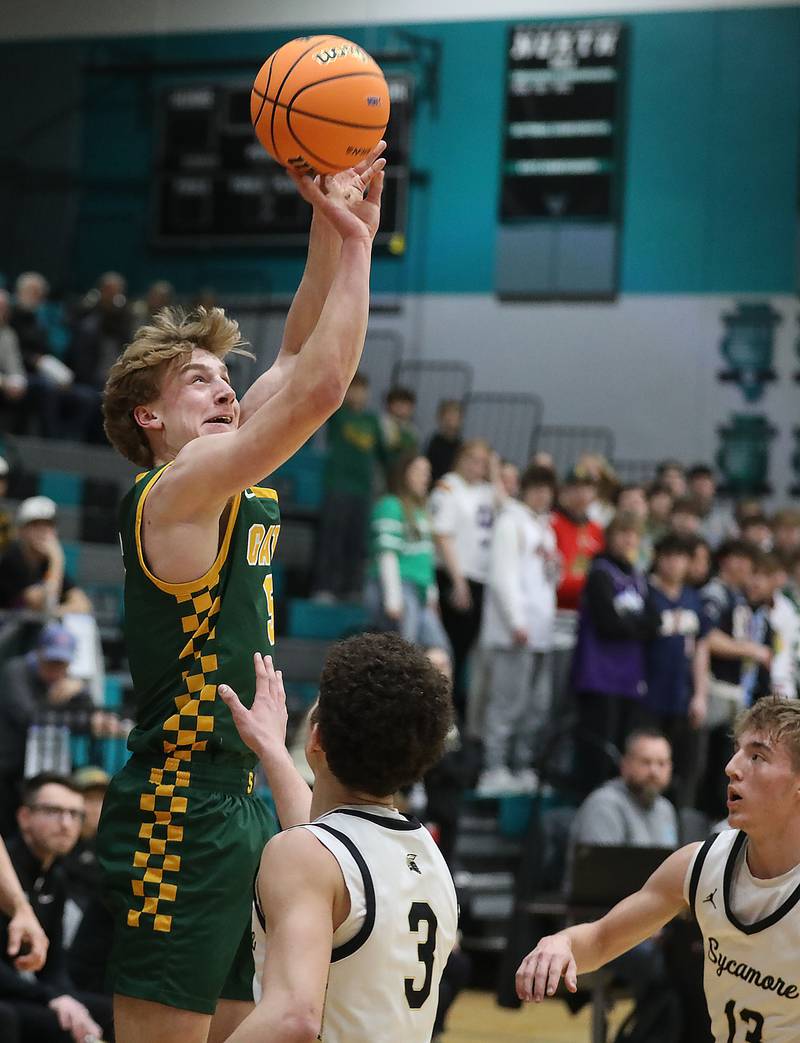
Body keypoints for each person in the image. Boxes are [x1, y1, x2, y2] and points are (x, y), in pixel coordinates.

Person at [95, 146, 387, 1043]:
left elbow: (298, 350)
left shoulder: (222, 470)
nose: (225, 388)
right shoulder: (175, 491)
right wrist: (360, 248)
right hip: (177, 806)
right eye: (200, 380)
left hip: (242, 798)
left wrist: (335, 220)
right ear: (149, 416)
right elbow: (322, 387)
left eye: (227, 380)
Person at [216, 632, 458, 1043]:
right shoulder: (426, 854)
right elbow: (326, 841)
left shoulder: (308, 857)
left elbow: (292, 1017)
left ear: (316, 739)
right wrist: (271, 748)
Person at [516, 695, 800, 1043]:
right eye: (737, 751)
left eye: (757, 757)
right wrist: (560, 942)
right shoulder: (700, 864)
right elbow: (603, 938)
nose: (732, 767)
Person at [0, 773, 113, 1043]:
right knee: (30, 1021)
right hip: (12, 991)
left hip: (27, 988)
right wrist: (51, 997)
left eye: (75, 814)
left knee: (109, 1013)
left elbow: (55, 960)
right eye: (53, 811)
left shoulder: (56, 877)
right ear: (24, 817)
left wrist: (67, 998)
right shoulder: (7, 874)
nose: (66, 824)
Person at [477, 464, 559, 795]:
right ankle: (493, 767)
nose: (542, 495)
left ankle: (521, 766)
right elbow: (502, 577)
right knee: (507, 704)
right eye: (536, 488)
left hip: (542, 633)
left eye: (547, 489)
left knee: (535, 708)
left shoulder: (545, 528)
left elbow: (547, 580)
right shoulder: (510, 522)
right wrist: (516, 621)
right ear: (525, 490)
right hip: (515, 633)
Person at [571, 513, 659, 795]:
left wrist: (630, 623)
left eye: (634, 535)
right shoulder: (600, 572)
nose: (629, 540)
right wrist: (638, 625)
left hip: (629, 677)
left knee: (622, 748)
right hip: (598, 675)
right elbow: (608, 623)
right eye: (623, 533)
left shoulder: (638, 577)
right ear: (610, 537)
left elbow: (655, 622)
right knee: (597, 750)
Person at [0, 623, 96, 837]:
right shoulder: (15, 671)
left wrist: (81, 690)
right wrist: (54, 700)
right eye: (51, 661)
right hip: (7, 767)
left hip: (42, 766)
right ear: (39, 652)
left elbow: (89, 715)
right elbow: (27, 717)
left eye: (62, 663)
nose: (56, 669)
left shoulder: (67, 681)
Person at [430, 439, 502, 718]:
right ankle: (441, 709)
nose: (477, 466)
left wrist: (494, 471)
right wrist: (458, 581)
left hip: (480, 578)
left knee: (466, 651)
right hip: (455, 576)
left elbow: (504, 503)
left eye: (482, 462)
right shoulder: (449, 487)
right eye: (472, 459)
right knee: (450, 648)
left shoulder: (486, 491)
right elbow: (442, 534)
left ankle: (454, 710)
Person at [643, 534, 712, 808]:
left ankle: (676, 819)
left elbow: (701, 648)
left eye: (681, 557)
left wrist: (700, 694)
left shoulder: (693, 599)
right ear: (658, 558)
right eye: (668, 556)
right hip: (649, 694)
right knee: (648, 759)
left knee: (684, 768)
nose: (674, 563)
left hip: (682, 695)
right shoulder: (645, 593)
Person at [365, 452, 450, 654]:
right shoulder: (390, 505)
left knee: (440, 650)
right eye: (418, 471)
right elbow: (387, 554)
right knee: (404, 653)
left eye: (427, 472)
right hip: (399, 587)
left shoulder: (422, 511)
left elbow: (426, 559)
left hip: (420, 591)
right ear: (404, 474)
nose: (425, 477)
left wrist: (432, 597)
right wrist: (393, 598)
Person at [312, 370, 385, 602]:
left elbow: (384, 453)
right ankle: (324, 587)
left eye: (363, 390)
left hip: (363, 490)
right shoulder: (338, 413)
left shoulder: (372, 421)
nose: (359, 394)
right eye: (354, 389)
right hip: (337, 485)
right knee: (331, 539)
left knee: (357, 541)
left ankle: (351, 588)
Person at [0, 497, 92, 615]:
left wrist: (56, 612)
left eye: (48, 525)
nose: (43, 531)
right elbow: (42, 602)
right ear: (21, 530)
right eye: (35, 525)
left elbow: (83, 604)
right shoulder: (11, 559)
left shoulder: (45, 562)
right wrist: (57, 560)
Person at [551, 470, 604, 611]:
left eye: (587, 488)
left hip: (587, 609)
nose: (581, 494)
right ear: (564, 492)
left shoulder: (597, 530)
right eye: (575, 488)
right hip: (556, 607)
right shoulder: (552, 524)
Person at [380, 386, 418, 476]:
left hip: (403, 475)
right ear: (389, 405)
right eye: (398, 403)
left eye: (406, 405)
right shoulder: (381, 424)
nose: (402, 408)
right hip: (382, 472)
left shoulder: (412, 431)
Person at [425, 399, 464, 485]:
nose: (452, 420)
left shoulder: (461, 445)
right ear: (440, 419)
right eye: (449, 416)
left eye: (455, 417)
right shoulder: (434, 443)